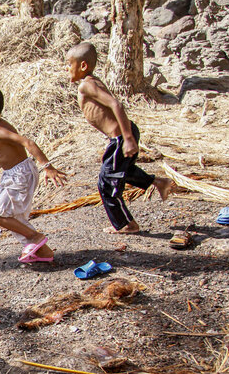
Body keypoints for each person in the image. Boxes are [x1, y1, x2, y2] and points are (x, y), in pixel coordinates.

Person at [66, 42, 174, 233]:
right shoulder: (93, 81)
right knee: (122, 171)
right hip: (123, 135)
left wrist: (127, 139)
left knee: (106, 182)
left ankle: (127, 225)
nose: (66, 68)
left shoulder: (86, 86)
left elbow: (117, 105)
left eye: (69, 64)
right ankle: (159, 182)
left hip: (121, 138)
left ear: (83, 66)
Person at [0, 85, 68, 262]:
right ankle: (43, 252)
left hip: (20, 174)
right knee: (13, 216)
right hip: (12, 175)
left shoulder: (0, 130)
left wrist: (48, 166)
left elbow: (28, 143)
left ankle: (35, 237)